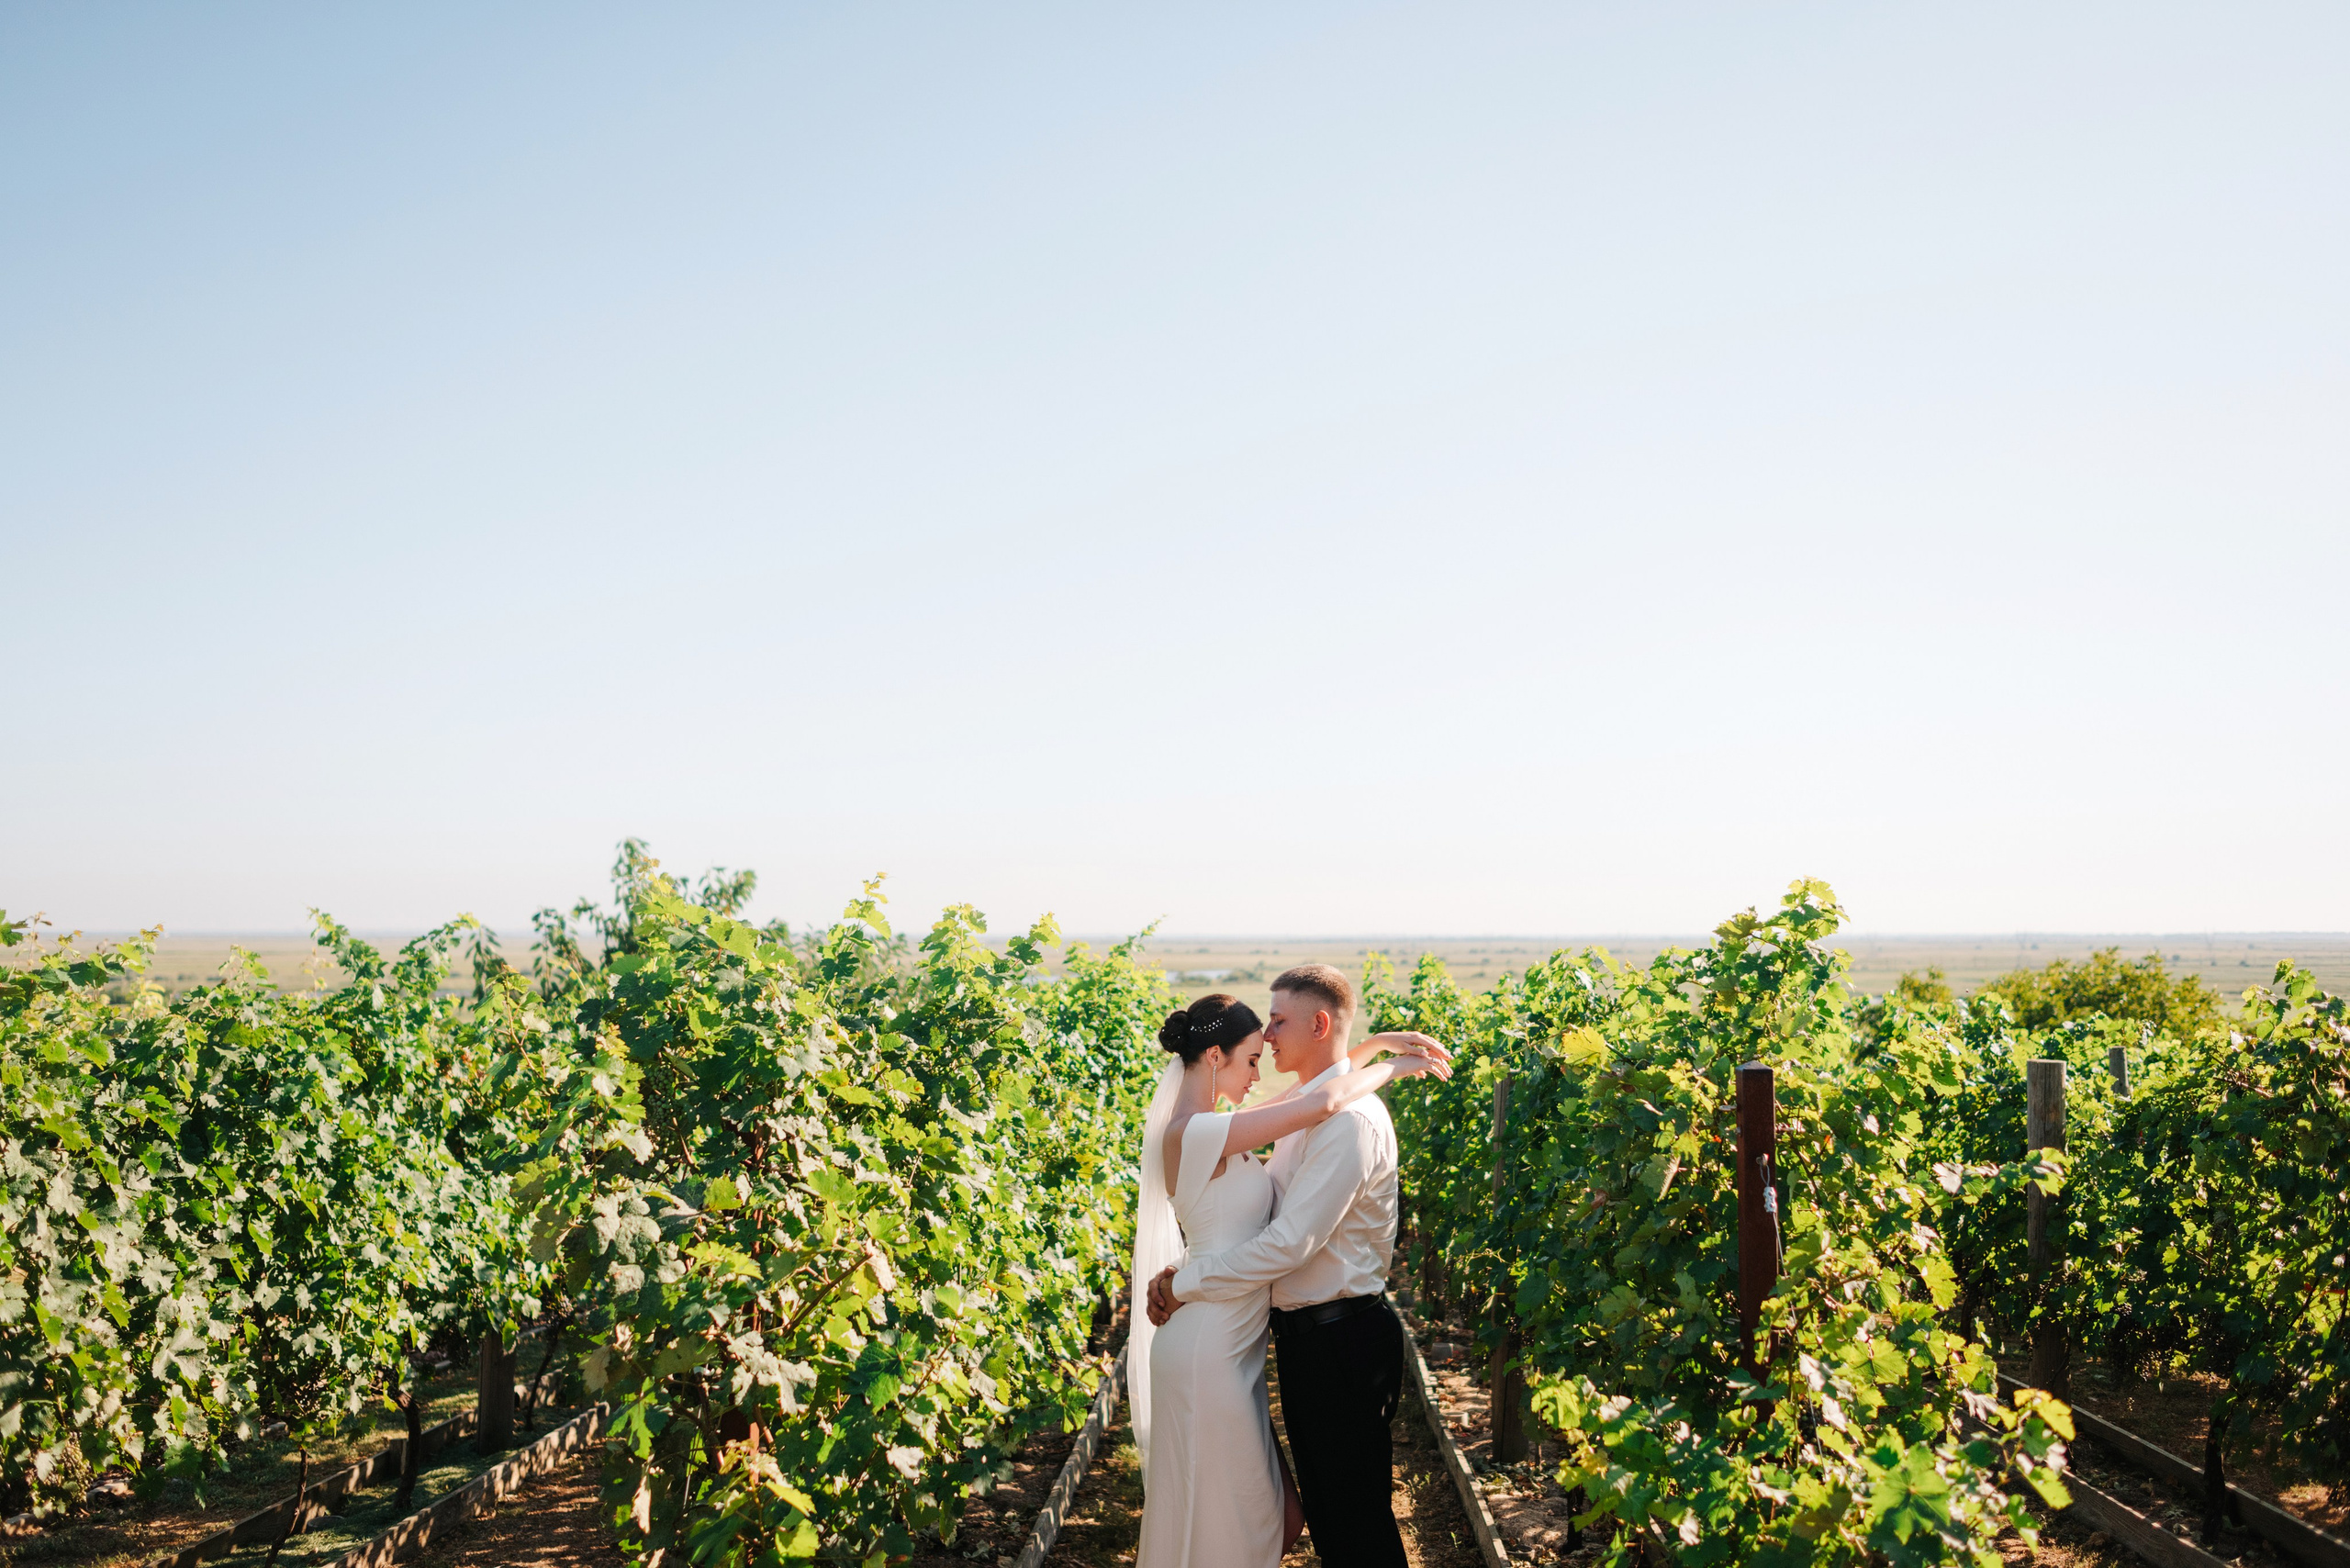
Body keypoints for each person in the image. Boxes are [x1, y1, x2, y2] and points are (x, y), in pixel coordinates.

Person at [1131, 977, 1447, 1568]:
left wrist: (1373, 1048)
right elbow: (1319, 1102)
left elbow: (1314, 1102)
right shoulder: (1200, 1131)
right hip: (1214, 1343)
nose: (1261, 1068)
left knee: (1283, 1516)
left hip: (1255, 1337)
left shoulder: (1230, 1127)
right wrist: (1390, 1065)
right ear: (1216, 1056)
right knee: (1241, 1519)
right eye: (1252, 1055)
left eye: (1277, 1026)